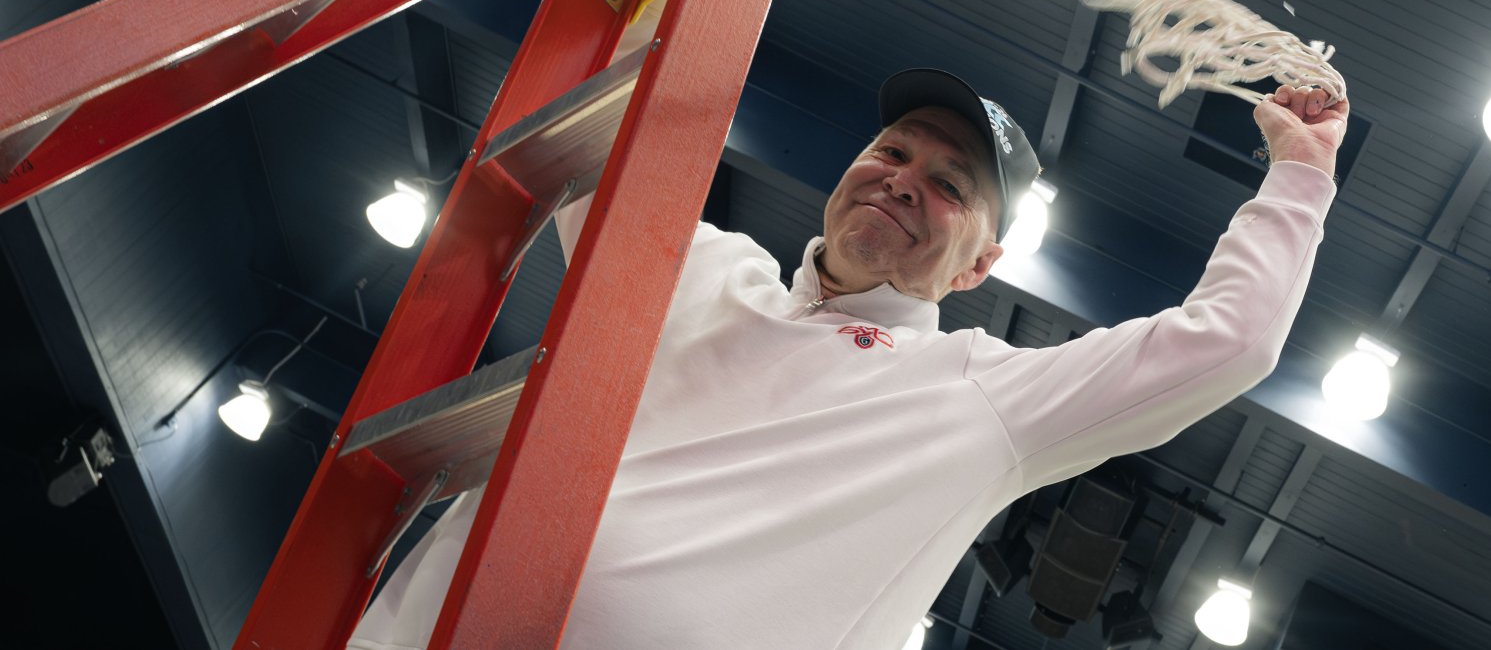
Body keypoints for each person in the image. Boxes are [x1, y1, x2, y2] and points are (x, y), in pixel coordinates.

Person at [348, 67, 1348, 650]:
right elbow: (572, 122)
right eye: (893, 151)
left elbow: (1229, 342)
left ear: (978, 268)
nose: (905, 181)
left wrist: (1298, 176)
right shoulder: (697, 267)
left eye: (950, 185)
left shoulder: (982, 395)